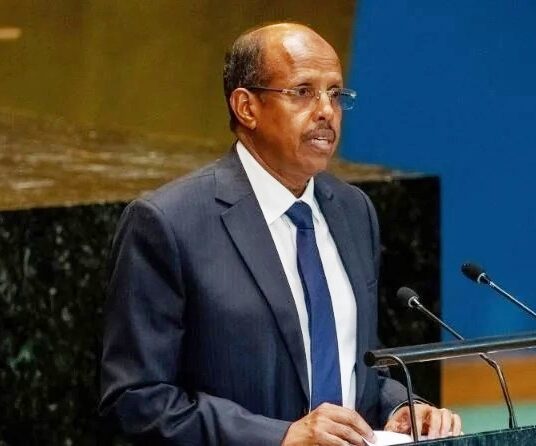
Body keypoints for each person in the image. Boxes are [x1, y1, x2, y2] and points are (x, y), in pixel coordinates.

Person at [99, 23, 462, 445]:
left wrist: (399, 407)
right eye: (303, 91)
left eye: (335, 93)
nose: (326, 111)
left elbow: (355, 362)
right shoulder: (168, 223)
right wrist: (280, 437)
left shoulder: (352, 210)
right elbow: (136, 400)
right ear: (246, 107)